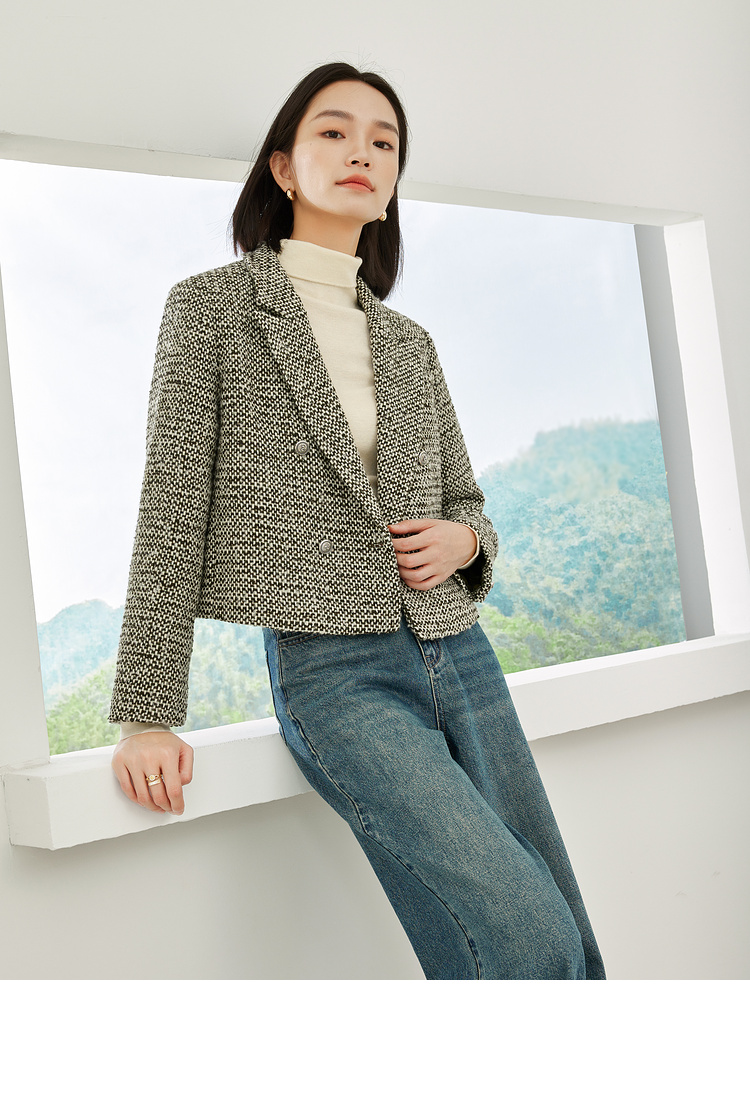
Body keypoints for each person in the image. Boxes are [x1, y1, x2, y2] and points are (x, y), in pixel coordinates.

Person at [109, 61, 606, 981]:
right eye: (334, 132)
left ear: (392, 183)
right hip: (335, 672)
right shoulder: (212, 310)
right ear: (284, 168)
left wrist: (465, 542)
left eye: (384, 142)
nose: (362, 153)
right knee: (527, 931)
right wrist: (146, 714)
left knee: (562, 930)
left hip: (459, 649)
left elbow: (467, 504)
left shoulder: (410, 345)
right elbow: (171, 507)